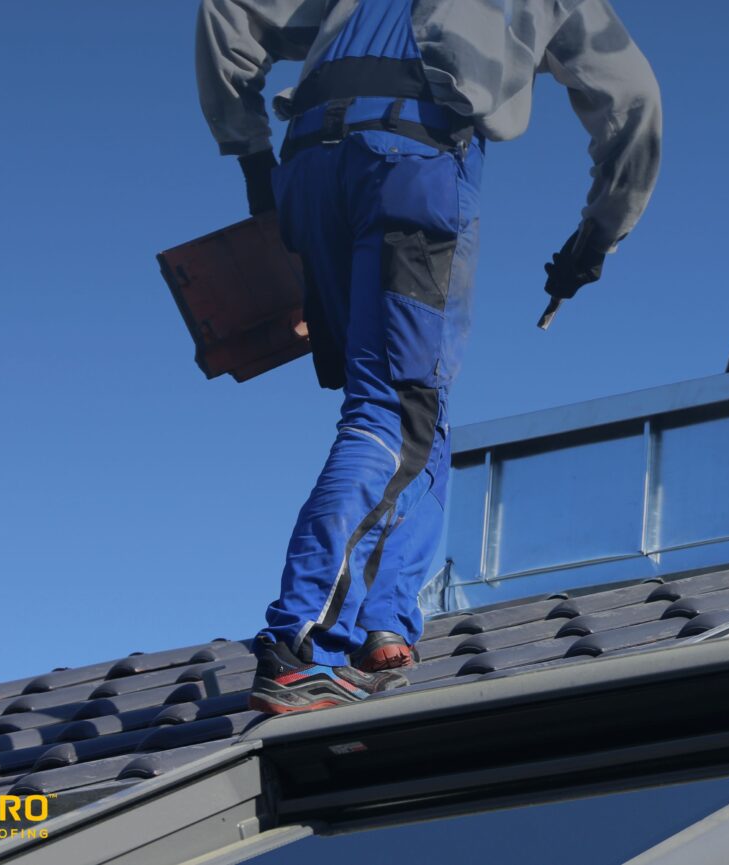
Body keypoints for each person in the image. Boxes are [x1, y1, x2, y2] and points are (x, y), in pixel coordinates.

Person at [195, 0, 661, 714]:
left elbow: (228, 9)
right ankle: (301, 643)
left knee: (419, 398)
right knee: (394, 412)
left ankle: (384, 620)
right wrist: (597, 237)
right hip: (411, 158)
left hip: (311, 170)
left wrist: (255, 159)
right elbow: (634, 105)